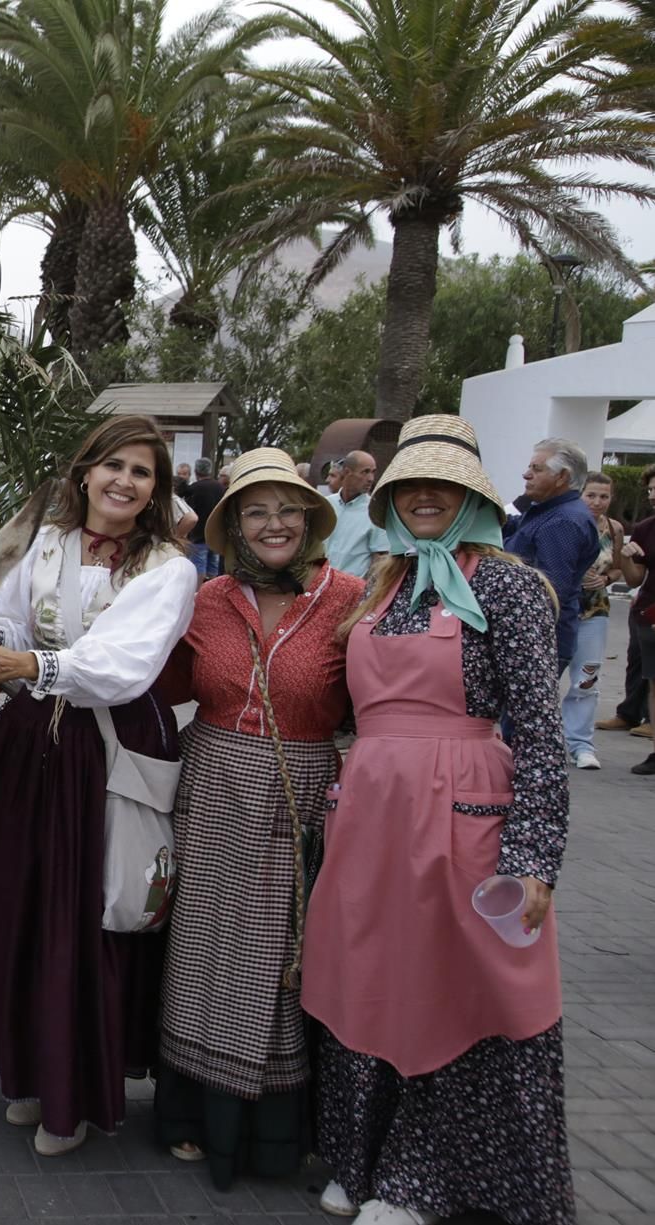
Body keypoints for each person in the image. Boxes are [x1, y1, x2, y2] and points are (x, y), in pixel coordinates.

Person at [302, 414, 573, 1225]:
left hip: (463, 814)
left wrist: (532, 857)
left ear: (472, 497)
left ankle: (419, 1182)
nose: (424, 496)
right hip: (371, 815)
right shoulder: (376, 584)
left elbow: (540, 731)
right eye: (409, 484)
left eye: (443, 485)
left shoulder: (508, 586)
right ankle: (359, 1156)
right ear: (387, 498)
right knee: (367, 980)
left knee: (456, 991)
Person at [0, 413, 198, 1157]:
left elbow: (124, 665)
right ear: (85, 472)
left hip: (105, 747)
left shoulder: (167, 569)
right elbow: (20, 627)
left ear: (156, 489)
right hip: (32, 739)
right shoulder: (45, 543)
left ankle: (74, 1093)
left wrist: (33, 666)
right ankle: (26, 1070)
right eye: (112, 465)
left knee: (87, 913)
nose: (124, 481)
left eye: (141, 472)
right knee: (19, 904)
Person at [153, 448, 364, 1189]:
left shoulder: (351, 600)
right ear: (235, 526)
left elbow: (374, 702)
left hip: (298, 789)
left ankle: (267, 1135)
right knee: (198, 945)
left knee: (277, 958)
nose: (273, 524)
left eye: (287, 510)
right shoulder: (207, 599)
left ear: (309, 519)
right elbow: (163, 681)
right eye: (255, 512)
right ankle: (187, 1116)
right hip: (209, 784)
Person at [506, 438, 598, 680]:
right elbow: (511, 527)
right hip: (532, 639)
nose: (526, 475)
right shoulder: (547, 511)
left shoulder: (562, 522)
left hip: (536, 642)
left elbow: (550, 592)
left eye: (537, 469)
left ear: (562, 477)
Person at [562, 472, 626, 770]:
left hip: (595, 611)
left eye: (604, 496)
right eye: (591, 495)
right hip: (560, 608)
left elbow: (618, 569)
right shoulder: (566, 522)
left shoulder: (614, 528)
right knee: (543, 677)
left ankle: (581, 744)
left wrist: (606, 578)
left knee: (587, 678)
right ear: (579, 494)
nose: (597, 502)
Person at [607, 466, 655, 774]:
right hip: (649, 615)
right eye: (650, 490)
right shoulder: (645, 528)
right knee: (653, 682)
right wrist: (624, 557)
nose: (652, 495)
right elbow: (635, 579)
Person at [322, 451, 384, 580]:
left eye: (373, 472)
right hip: (321, 584)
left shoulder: (376, 510)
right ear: (347, 472)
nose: (371, 478)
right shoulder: (326, 505)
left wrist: (365, 588)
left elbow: (380, 558)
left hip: (356, 587)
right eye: (365, 472)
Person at [184, 458, 226, 579]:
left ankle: (198, 590)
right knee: (213, 566)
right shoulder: (219, 487)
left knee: (198, 567)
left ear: (196, 471)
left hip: (198, 534)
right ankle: (213, 589)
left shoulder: (193, 488)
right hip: (215, 534)